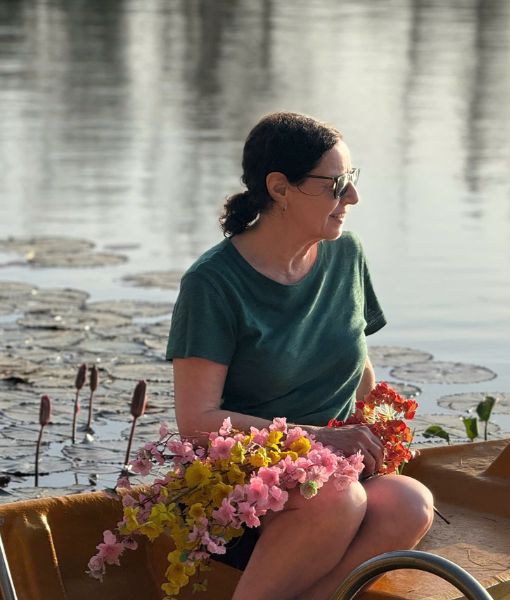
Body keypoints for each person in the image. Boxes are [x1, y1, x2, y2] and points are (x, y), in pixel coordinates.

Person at [166, 112, 434, 600]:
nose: (352, 198)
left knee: (410, 504)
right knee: (334, 497)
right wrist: (314, 441)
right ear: (280, 188)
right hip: (237, 493)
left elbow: (360, 370)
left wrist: (378, 436)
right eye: (336, 185)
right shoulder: (211, 283)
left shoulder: (346, 255)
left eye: (352, 180)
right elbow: (197, 421)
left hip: (334, 475)